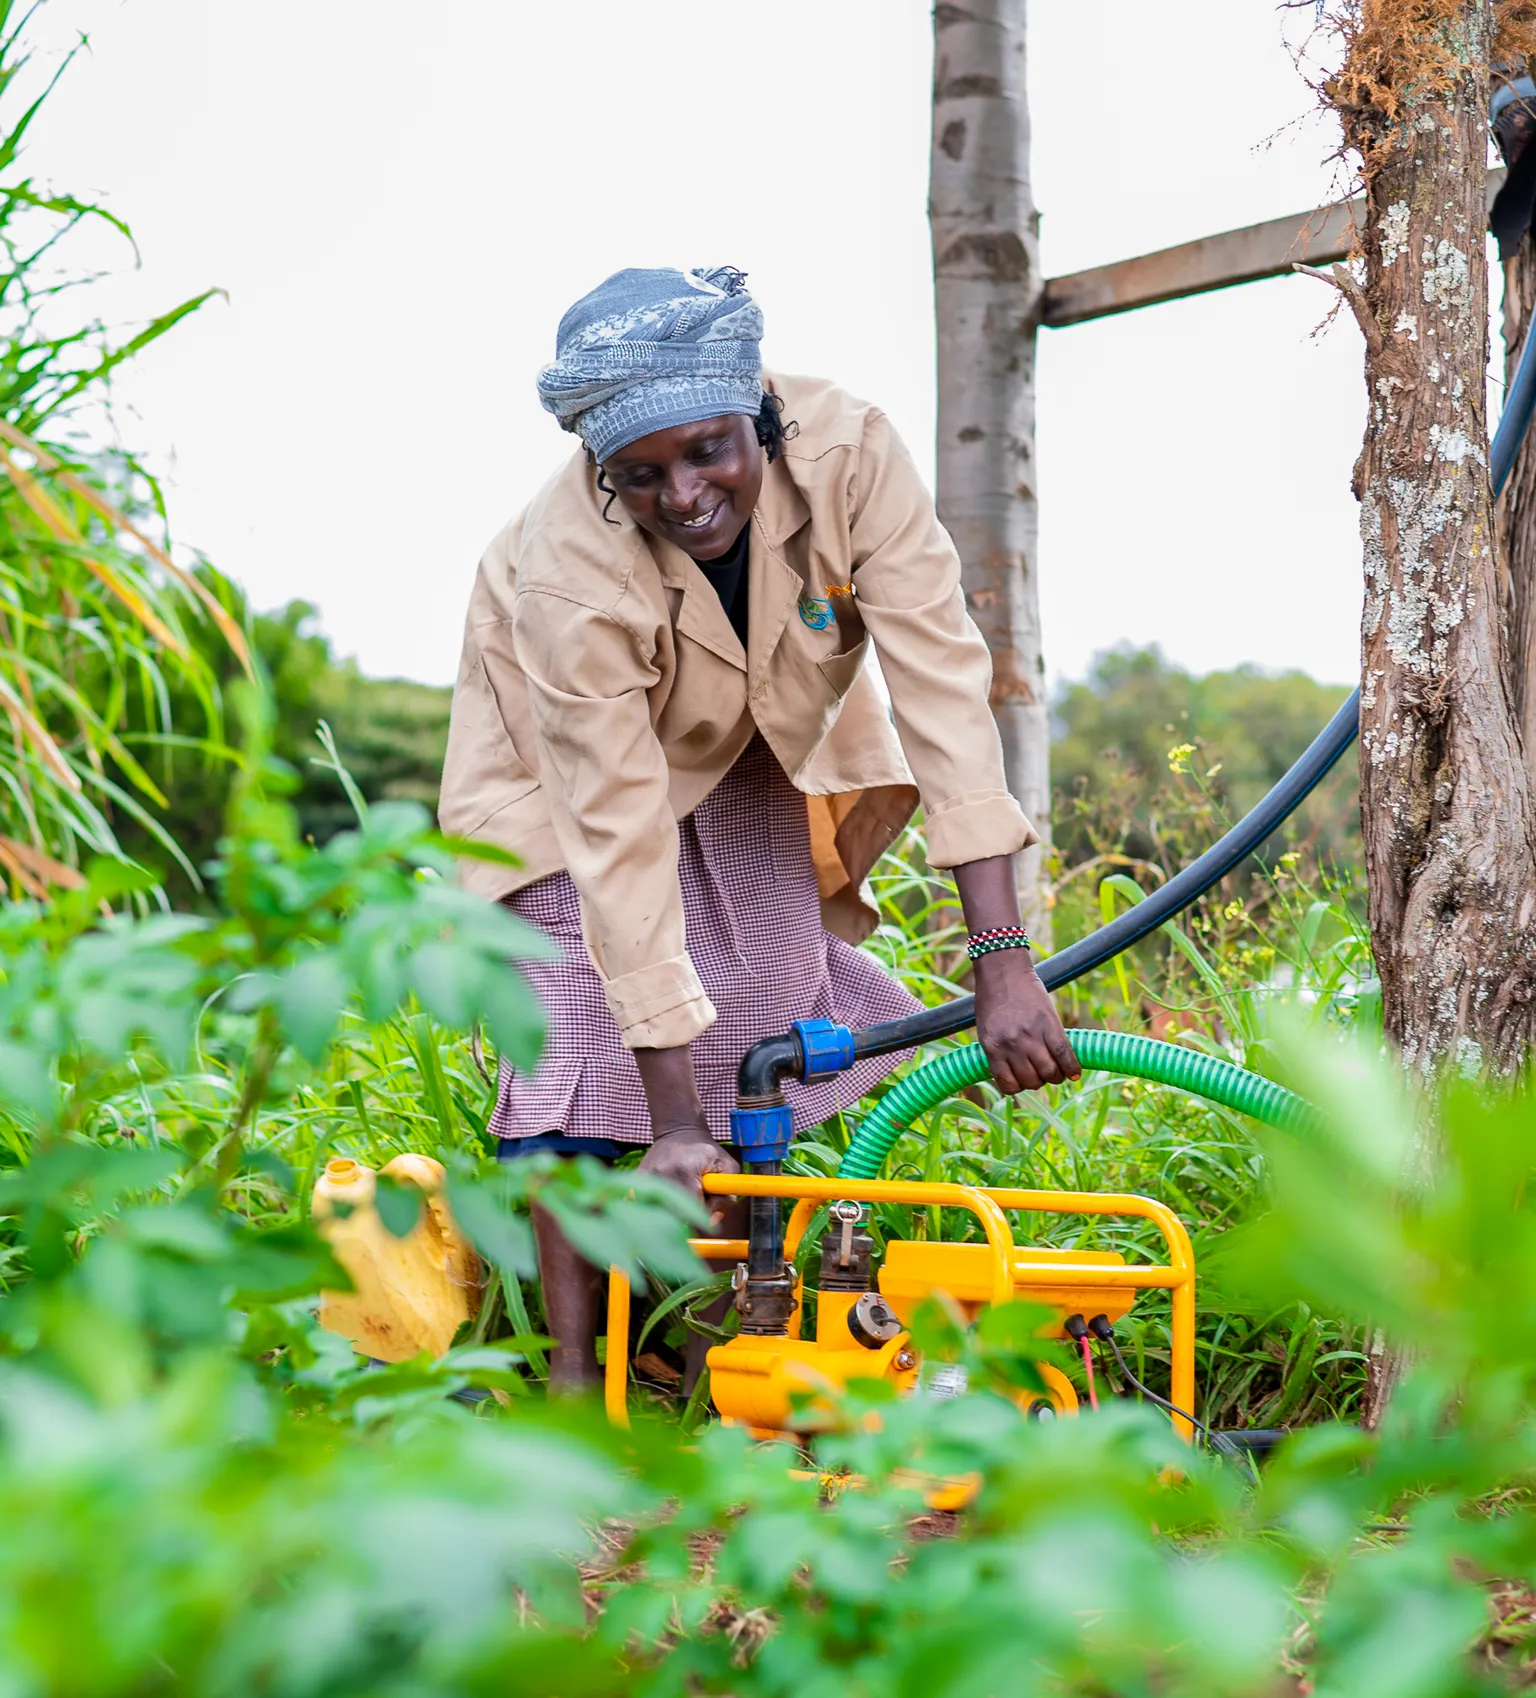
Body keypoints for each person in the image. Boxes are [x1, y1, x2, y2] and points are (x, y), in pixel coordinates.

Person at [439, 265, 1080, 1393]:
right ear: (600, 474)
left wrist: (1002, 963)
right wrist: (674, 1125)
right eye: (640, 476)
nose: (683, 495)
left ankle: (713, 1358)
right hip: (554, 782)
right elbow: (616, 837)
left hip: (751, 740)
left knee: (769, 1007)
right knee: (584, 1029)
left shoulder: (851, 453)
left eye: (707, 453)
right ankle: (578, 1396)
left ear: (764, 418)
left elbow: (942, 691)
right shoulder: (567, 575)